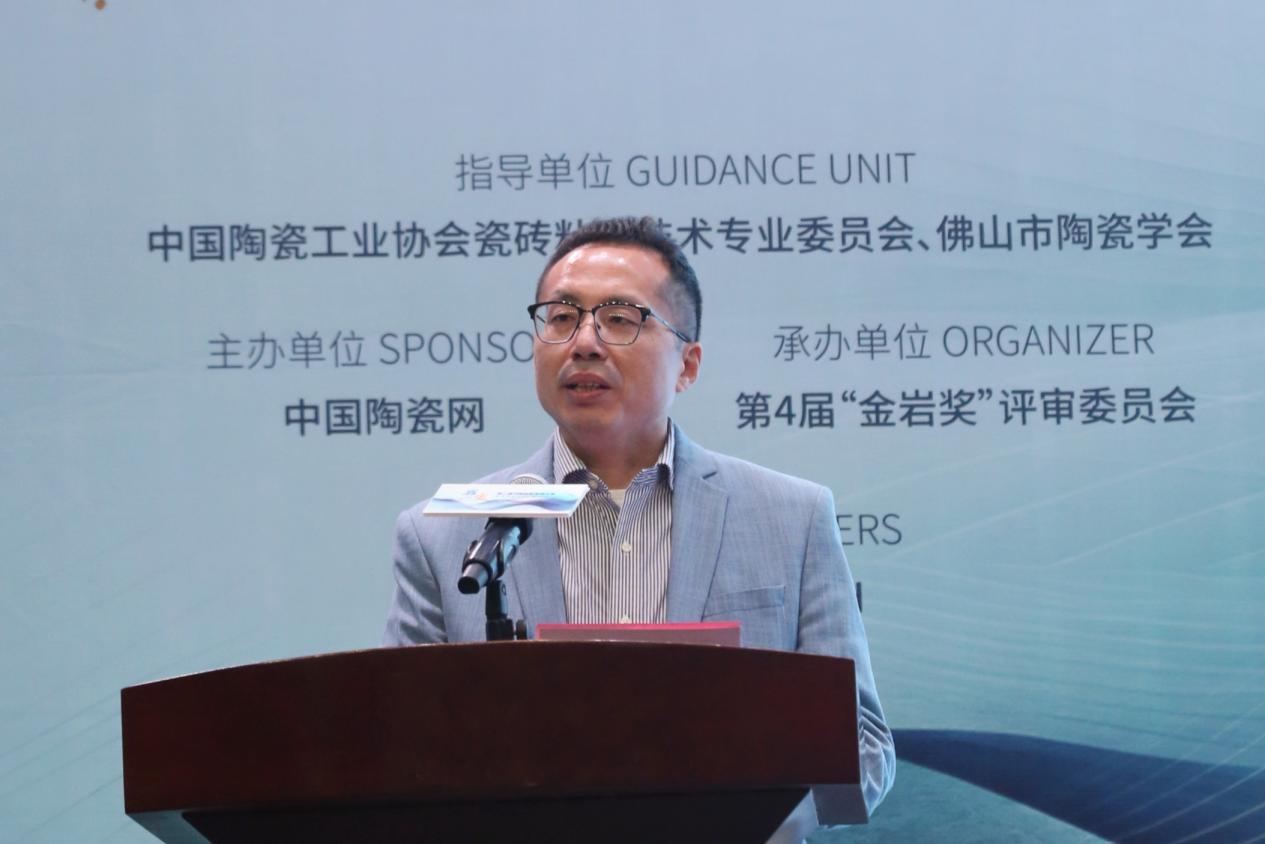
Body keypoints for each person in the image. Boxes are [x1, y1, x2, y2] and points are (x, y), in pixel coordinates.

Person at [383, 216, 895, 831]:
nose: (584, 343)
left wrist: (743, 815)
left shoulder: (793, 517)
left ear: (688, 364)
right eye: (561, 317)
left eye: (621, 318)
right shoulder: (443, 536)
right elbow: (395, 757)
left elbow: (864, 750)